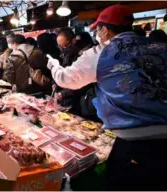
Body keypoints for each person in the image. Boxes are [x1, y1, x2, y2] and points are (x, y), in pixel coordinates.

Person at [47, 4, 167, 190]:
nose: (98, 34)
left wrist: (53, 65)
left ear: (104, 29)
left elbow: (66, 79)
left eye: (98, 29)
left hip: (133, 141)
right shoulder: (159, 46)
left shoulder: (101, 52)